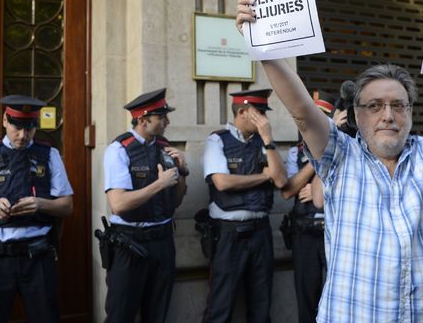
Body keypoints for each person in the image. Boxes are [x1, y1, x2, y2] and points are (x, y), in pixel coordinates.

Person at [236, 0, 423, 322]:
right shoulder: (339, 157)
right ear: (357, 115)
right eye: (374, 106)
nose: (387, 115)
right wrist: (264, 47)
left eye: (398, 105)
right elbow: (304, 111)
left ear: (410, 113)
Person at [0, 95, 73, 323]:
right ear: (5, 121)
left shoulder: (49, 154)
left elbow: (67, 205)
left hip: (37, 255)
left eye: (29, 129)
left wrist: (41, 204)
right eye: (17, 127)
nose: (22, 136)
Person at [102, 88, 188, 323]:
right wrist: (158, 185)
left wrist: (183, 172)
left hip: (162, 242)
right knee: (121, 314)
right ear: (142, 120)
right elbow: (118, 204)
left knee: (157, 313)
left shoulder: (164, 146)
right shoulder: (119, 150)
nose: (167, 122)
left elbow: (176, 201)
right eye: (161, 117)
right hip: (130, 244)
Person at [202, 89, 288, 323]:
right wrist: (262, 177)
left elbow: (281, 181)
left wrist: (269, 140)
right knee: (221, 306)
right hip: (229, 234)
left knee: (261, 304)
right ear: (242, 112)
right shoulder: (217, 140)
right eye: (259, 113)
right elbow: (222, 182)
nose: (265, 119)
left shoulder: (264, 142)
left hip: (260, 231)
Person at [280, 90, 336, 323]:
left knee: (337, 298)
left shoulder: (345, 149)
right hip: (305, 232)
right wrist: (318, 155)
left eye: (320, 117)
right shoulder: (296, 152)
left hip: (334, 233)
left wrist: (330, 146)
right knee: (306, 299)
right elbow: (289, 189)